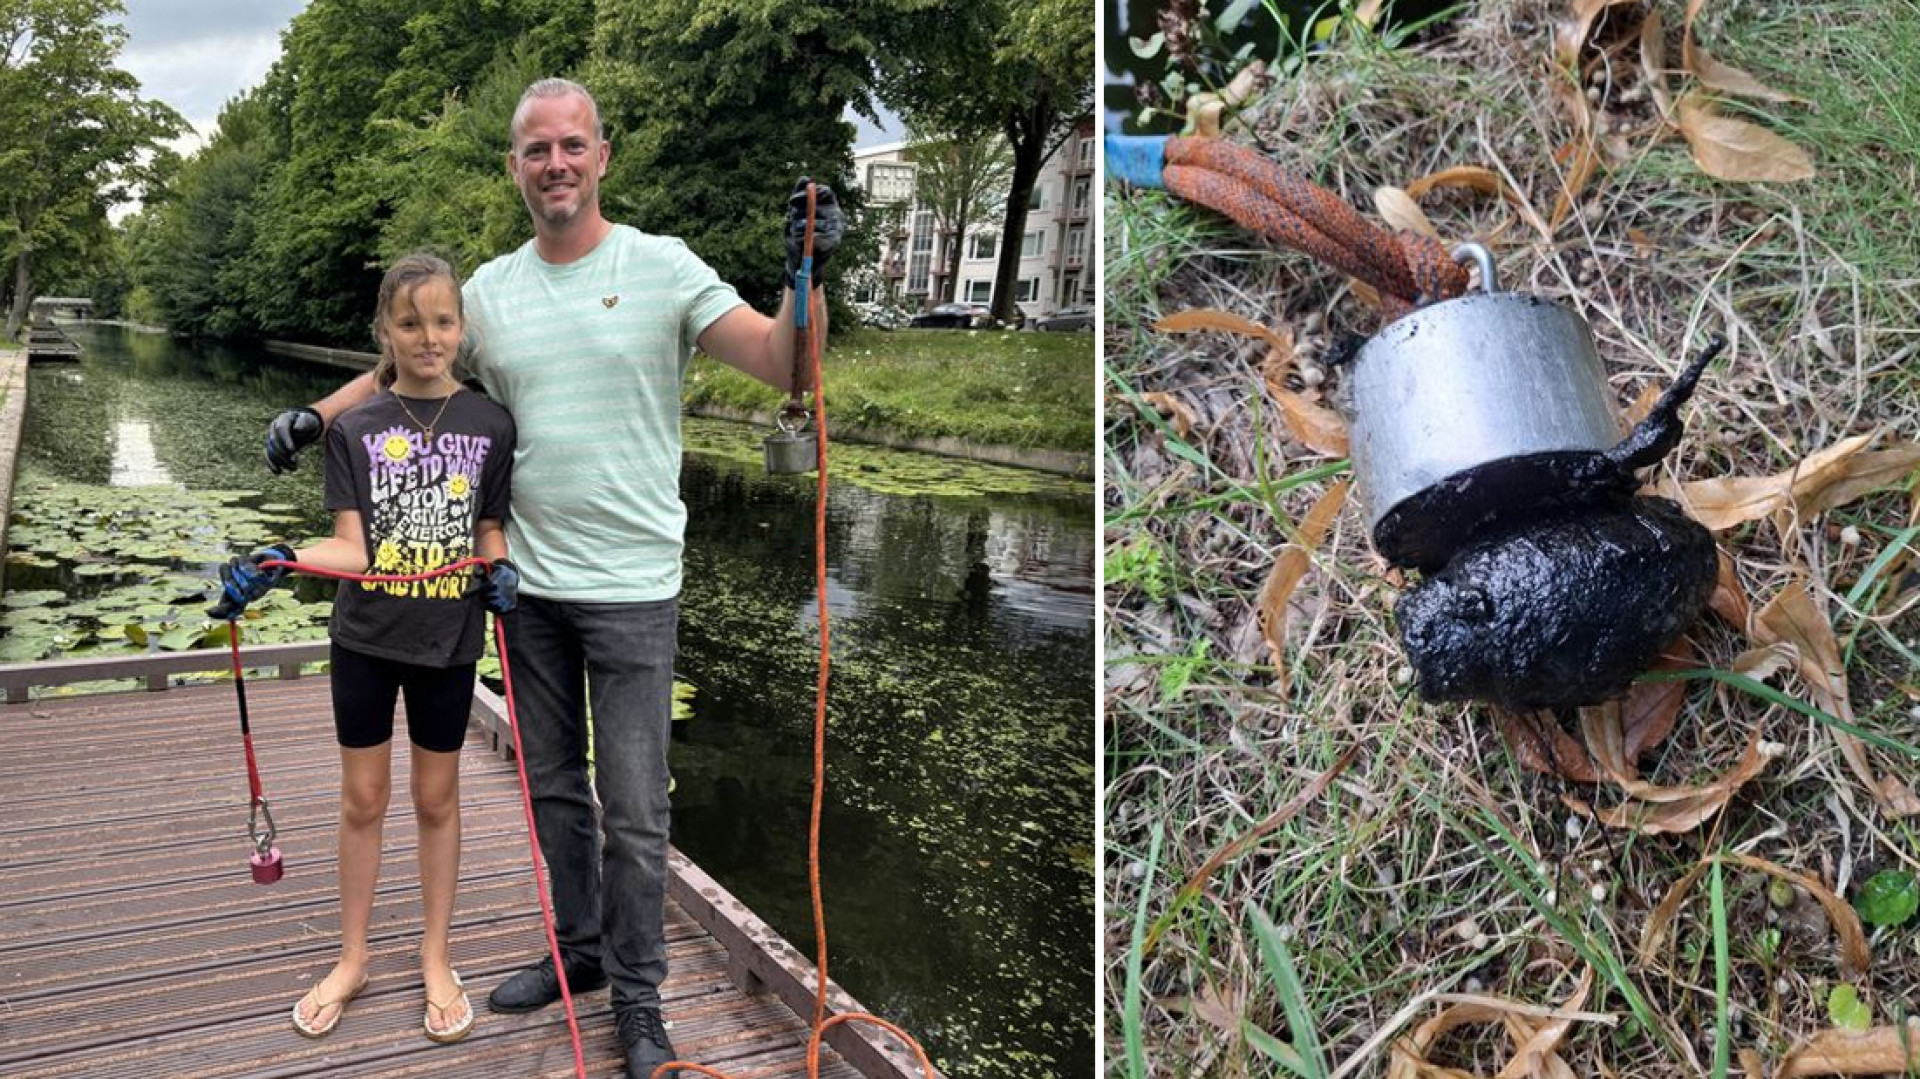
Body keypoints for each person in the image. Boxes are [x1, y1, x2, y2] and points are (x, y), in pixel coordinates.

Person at [259, 78, 843, 1078]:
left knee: (635, 801)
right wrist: (318, 416)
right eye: (537, 150)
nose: (557, 163)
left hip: (633, 589)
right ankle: (577, 956)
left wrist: (807, 273)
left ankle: (641, 993)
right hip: (525, 588)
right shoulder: (487, 291)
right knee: (554, 792)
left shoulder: (660, 266)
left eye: (573, 145)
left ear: (602, 156)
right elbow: (404, 371)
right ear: (515, 168)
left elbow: (785, 361)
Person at [214, 253, 519, 1046]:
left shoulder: (491, 423)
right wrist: (280, 559)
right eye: (411, 322)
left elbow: (489, 524)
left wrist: (499, 563)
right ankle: (353, 958)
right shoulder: (354, 428)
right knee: (362, 800)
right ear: (384, 330)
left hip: (450, 641)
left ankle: (435, 954)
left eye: (443, 321)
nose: (429, 337)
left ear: (462, 328)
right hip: (365, 641)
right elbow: (353, 548)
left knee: (436, 799)